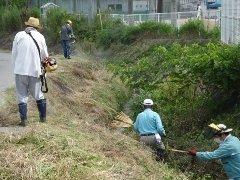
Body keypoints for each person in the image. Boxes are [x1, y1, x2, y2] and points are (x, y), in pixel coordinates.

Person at [12, 17, 49, 127]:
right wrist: (44, 72)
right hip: (35, 70)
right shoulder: (41, 37)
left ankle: (24, 120)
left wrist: (15, 68)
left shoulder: (19, 35)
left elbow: (14, 54)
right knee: (38, 95)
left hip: (20, 71)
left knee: (22, 95)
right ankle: (43, 119)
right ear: (37, 27)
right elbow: (45, 57)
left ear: (27, 25)